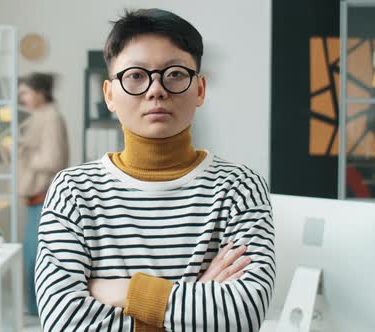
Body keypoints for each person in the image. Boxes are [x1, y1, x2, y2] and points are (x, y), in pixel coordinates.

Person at [35, 9, 274, 331]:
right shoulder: (73, 191)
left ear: (200, 89)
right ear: (109, 95)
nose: (156, 89)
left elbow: (242, 316)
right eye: (135, 75)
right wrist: (198, 302)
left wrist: (125, 291)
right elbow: (63, 322)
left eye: (175, 74)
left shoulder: (240, 187)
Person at [17, 72, 69, 315]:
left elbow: (52, 159)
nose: (22, 97)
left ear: (40, 92)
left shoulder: (51, 118)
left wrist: (24, 153)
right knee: (32, 254)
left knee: (36, 256)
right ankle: (35, 309)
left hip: (44, 197)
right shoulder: (39, 117)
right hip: (35, 197)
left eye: (26, 92)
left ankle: (40, 310)